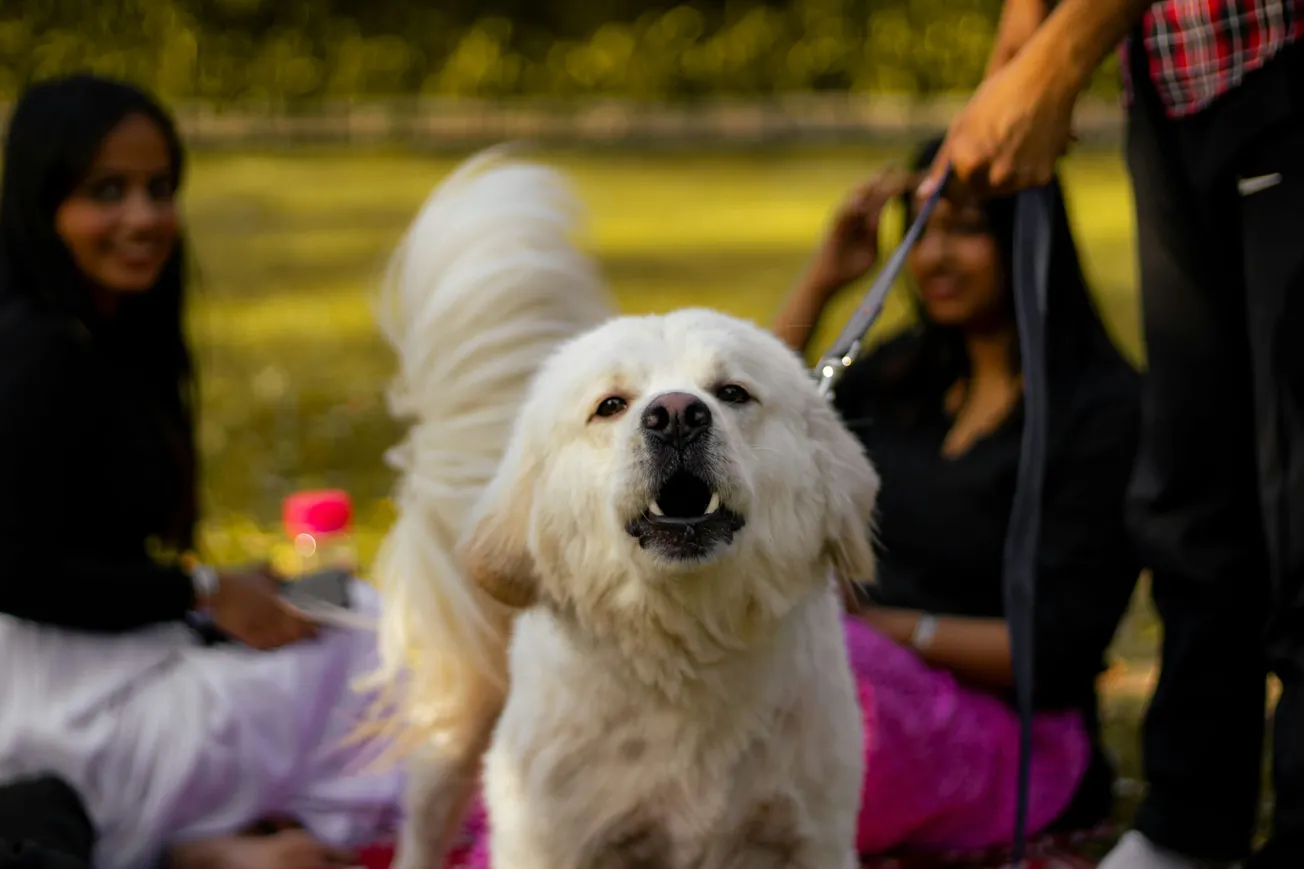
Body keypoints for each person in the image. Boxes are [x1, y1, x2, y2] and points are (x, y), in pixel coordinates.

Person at [922, 1, 1303, 867]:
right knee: (1193, 489)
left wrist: (1057, 61)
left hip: (1278, 51)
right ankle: (1188, 827)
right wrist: (1016, 55)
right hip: (1170, 83)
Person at [0, 74, 403, 869]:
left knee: (344, 599)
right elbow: (13, 568)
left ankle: (206, 839)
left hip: (117, 654)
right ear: (40, 204)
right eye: (106, 191)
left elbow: (102, 558)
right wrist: (205, 592)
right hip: (62, 718)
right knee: (383, 654)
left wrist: (221, 589)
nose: (144, 217)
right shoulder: (35, 353)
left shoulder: (97, 337)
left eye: (160, 189)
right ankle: (190, 844)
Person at [773, 135, 1142, 853]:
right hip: (853, 674)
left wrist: (882, 630)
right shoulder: (902, 375)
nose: (935, 256)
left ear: (1026, 235)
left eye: (965, 229)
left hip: (1012, 734)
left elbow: (1058, 648)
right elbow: (752, 431)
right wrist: (824, 281)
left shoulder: (1102, 412)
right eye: (921, 229)